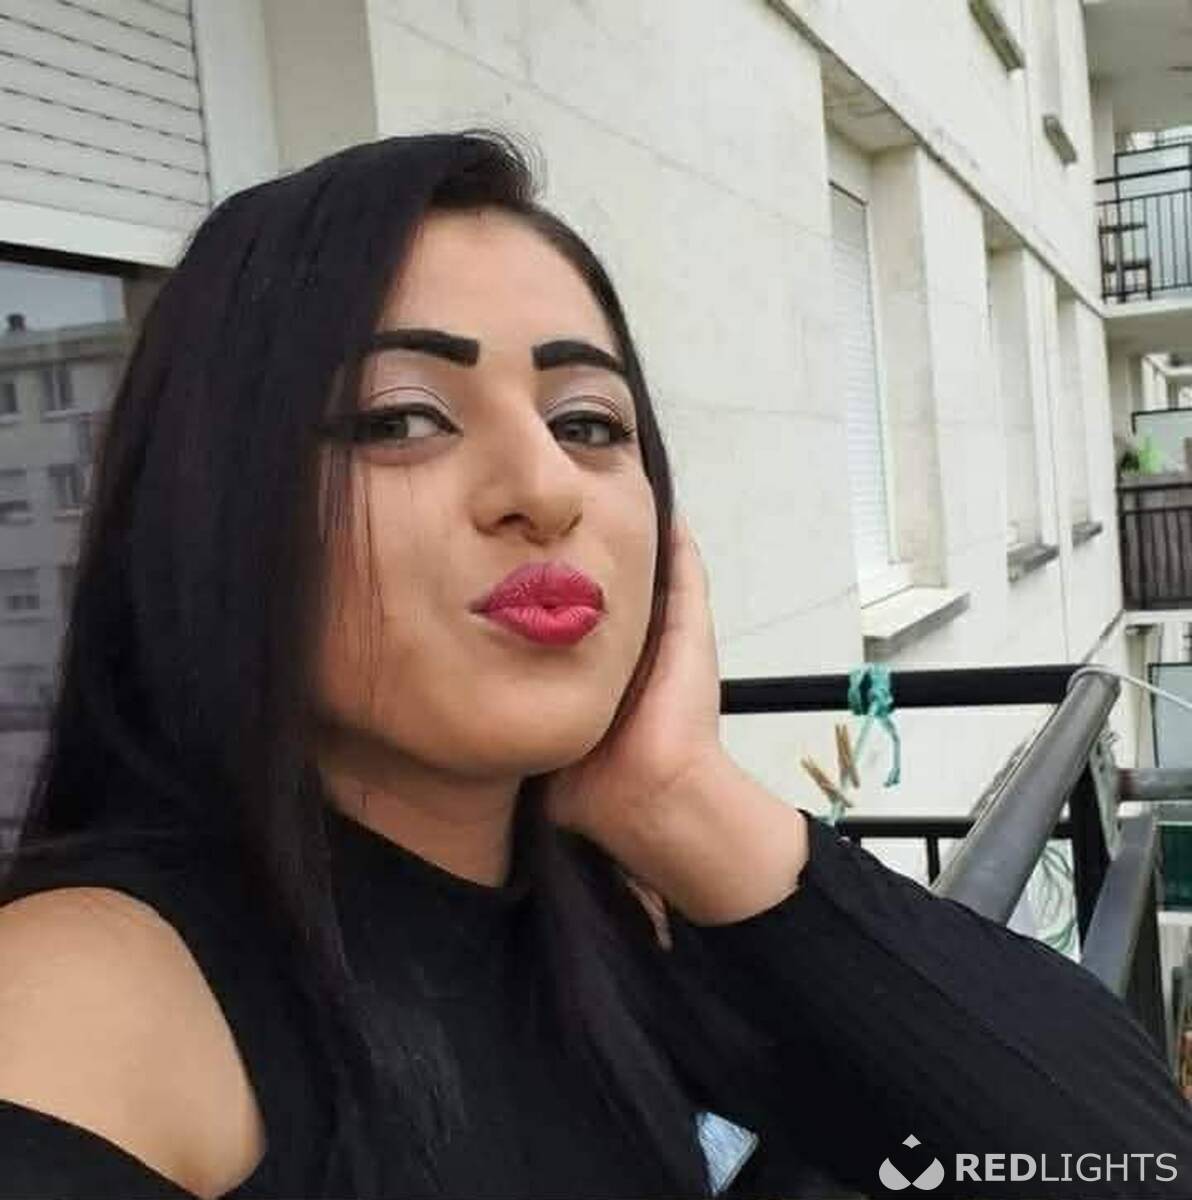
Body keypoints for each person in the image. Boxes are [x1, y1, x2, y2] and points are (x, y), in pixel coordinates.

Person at [0, 130, 1189, 1200]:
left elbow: (1124, 1165)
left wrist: (676, 795)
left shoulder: (619, 920)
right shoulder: (97, 1000)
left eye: (588, 424)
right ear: (211, 507)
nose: (546, 487)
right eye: (401, 418)